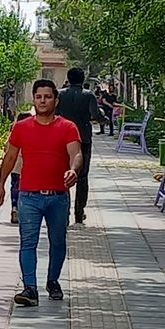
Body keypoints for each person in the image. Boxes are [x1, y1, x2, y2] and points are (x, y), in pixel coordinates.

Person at [0, 79, 82, 307]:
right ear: (33, 100)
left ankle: (53, 281)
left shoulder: (67, 127)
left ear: (56, 100)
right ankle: (30, 288)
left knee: (58, 242)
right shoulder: (21, 127)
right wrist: (1, 184)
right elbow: (10, 157)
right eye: (39, 97)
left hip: (58, 197)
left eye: (48, 97)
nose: (43, 101)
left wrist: (73, 170)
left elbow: (76, 153)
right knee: (28, 242)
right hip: (29, 196)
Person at [57, 67, 104, 224]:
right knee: (82, 177)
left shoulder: (60, 94)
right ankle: (79, 212)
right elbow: (95, 114)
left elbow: (54, 114)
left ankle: (64, 212)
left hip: (62, 139)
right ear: (83, 79)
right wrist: (103, 119)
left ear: (68, 78)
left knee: (63, 175)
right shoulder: (88, 95)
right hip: (83, 139)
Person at [9, 112, 33, 224]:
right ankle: (24, 210)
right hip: (28, 167)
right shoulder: (33, 134)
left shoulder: (14, 133)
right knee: (26, 190)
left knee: (15, 187)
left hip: (15, 166)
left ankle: (15, 208)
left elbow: (7, 149)